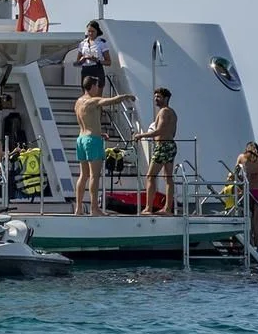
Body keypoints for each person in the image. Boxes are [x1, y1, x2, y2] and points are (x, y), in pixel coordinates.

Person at [72, 75, 135, 216]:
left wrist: (99, 133)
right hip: (92, 140)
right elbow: (111, 100)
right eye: (97, 86)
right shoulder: (93, 100)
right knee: (94, 176)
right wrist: (126, 96)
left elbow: (86, 121)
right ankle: (94, 209)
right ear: (92, 86)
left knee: (83, 175)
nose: (99, 89)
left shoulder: (78, 102)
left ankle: (78, 208)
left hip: (81, 139)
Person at [134, 87, 180, 215]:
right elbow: (173, 133)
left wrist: (141, 135)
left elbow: (159, 130)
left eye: (158, 97)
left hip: (163, 146)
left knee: (150, 176)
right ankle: (167, 209)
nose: (156, 99)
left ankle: (148, 208)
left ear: (166, 98)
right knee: (168, 177)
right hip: (170, 145)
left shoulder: (164, 112)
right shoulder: (173, 113)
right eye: (155, 97)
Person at [73, 20, 114, 88]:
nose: (90, 33)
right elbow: (77, 62)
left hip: (97, 69)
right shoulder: (82, 44)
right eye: (89, 31)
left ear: (97, 31)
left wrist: (97, 60)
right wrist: (82, 60)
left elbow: (108, 62)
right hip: (85, 70)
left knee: (97, 92)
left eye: (93, 31)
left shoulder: (101, 43)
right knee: (86, 93)